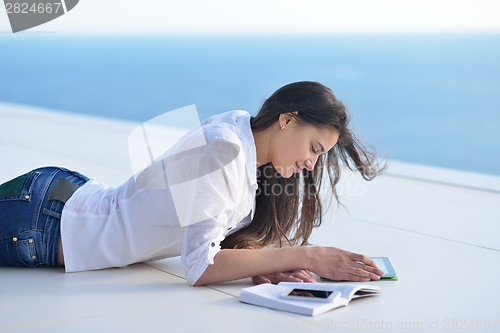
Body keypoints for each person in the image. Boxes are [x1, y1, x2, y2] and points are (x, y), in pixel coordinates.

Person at [0, 81, 386, 286]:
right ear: (287, 120)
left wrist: (259, 265)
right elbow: (199, 268)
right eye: (314, 148)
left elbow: (212, 236)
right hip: (44, 222)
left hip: (62, 202)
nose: (309, 163)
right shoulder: (225, 150)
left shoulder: (243, 139)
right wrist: (307, 256)